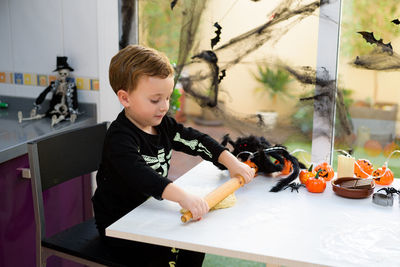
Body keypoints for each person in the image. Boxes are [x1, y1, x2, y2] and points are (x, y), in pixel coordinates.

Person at [91, 44, 255, 266]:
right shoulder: (119, 138)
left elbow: (196, 140)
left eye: (168, 97)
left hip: (149, 210)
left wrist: (230, 161)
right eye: (155, 99)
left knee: (195, 240)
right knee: (162, 255)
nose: (164, 106)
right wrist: (183, 197)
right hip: (119, 223)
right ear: (125, 98)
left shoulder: (163, 125)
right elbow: (142, 176)